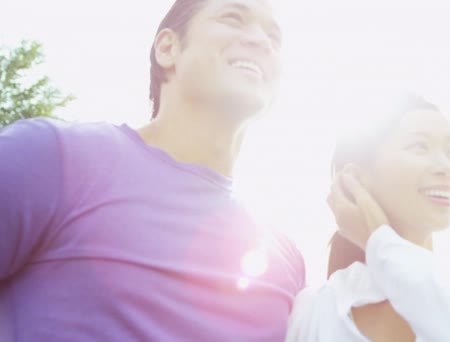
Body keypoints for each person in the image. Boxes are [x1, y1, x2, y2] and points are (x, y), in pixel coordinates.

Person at [0, 0, 305, 340]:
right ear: (167, 48)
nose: (261, 41)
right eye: (233, 17)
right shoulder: (50, 157)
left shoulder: (286, 259)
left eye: (274, 37)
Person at [286, 95, 450, 341]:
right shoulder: (315, 312)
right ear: (356, 180)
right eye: (419, 146)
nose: (446, 167)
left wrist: (378, 240)